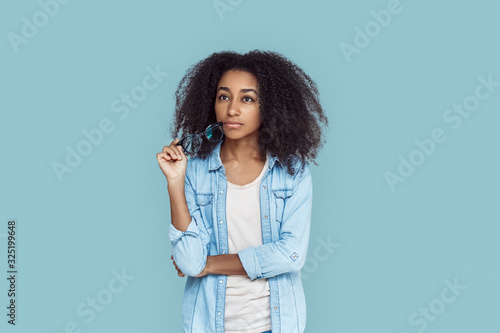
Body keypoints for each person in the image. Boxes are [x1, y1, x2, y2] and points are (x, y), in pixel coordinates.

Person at [156, 50, 328, 333]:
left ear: (270, 107)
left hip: (276, 323)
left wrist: (209, 264)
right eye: (224, 96)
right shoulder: (194, 172)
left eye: (247, 98)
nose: (232, 109)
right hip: (209, 323)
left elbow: (292, 255)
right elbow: (188, 262)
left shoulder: (292, 172)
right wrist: (174, 182)